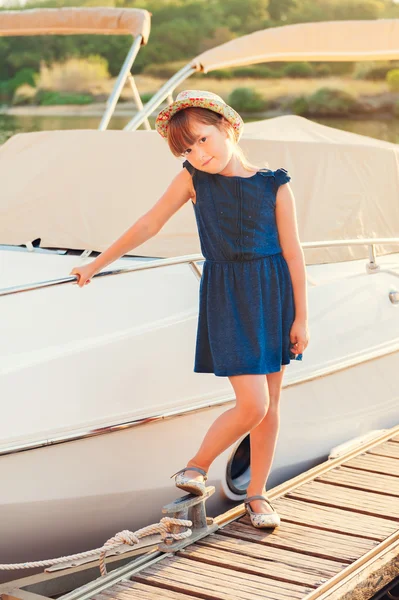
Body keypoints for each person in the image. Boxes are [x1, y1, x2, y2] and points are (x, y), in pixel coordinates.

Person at [70, 89, 310, 529]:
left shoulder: (275, 183)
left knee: (271, 404)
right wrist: (97, 263)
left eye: (202, 139)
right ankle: (196, 466)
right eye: (186, 148)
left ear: (227, 128)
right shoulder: (192, 180)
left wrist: (302, 317)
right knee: (253, 403)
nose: (197, 154)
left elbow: (294, 253)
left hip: (273, 294)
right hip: (228, 296)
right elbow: (149, 223)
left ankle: (257, 495)